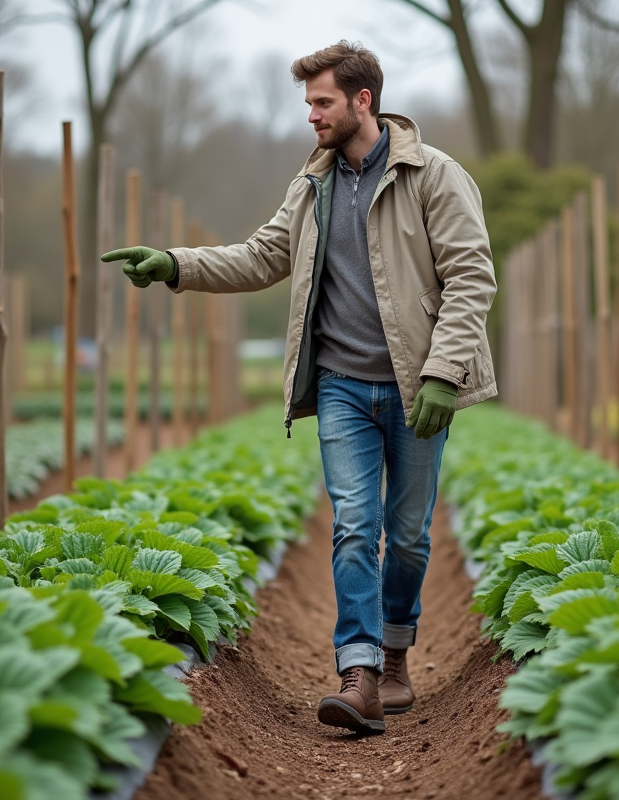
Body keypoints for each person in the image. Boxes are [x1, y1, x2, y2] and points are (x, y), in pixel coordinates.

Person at [101, 41, 497, 735]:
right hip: (341, 385)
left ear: (361, 101)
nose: (311, 115)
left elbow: (471, 278)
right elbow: (261, 256)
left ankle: (397, 655)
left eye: (322, 102)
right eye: (308, 102)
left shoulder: (435, 176)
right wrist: (173, 264)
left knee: (405, 537)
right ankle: (361, 673)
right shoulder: (310, 185)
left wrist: (441, 373)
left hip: (416, 388)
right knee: (353, 525)